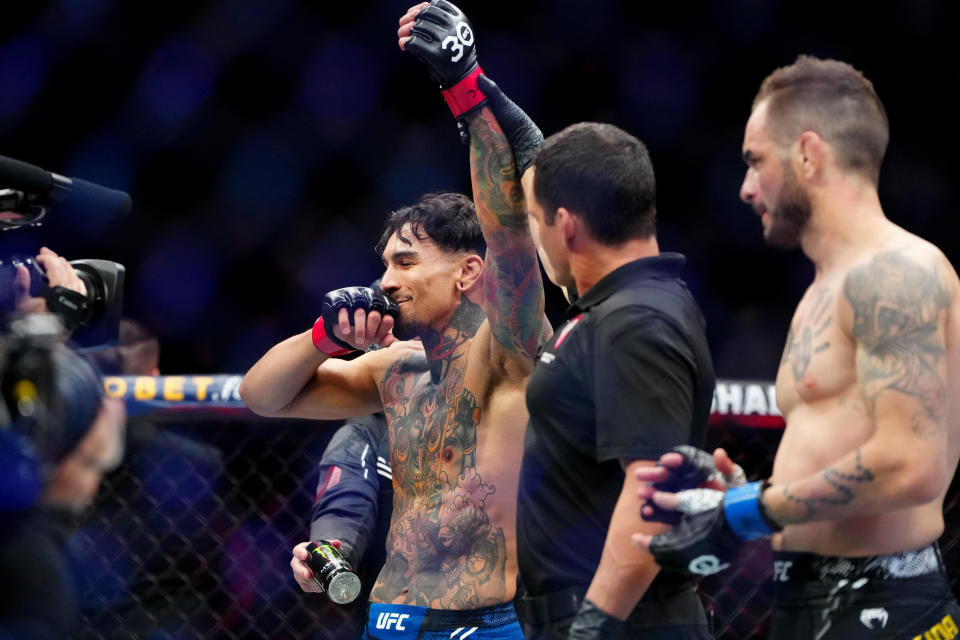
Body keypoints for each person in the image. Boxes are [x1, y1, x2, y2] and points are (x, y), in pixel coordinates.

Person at [398, 5, 716, 638]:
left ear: (566, 225)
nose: (527, 238)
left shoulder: (635, 323)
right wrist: (469, 84)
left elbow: (647, 500)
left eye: (538, 220)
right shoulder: (622, 309)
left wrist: (592, 626)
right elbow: (540, 182)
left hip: (619, 620)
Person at [239, 5, 550, 636]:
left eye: (406, 262)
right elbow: (261, 396)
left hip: (479, 620)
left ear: (466, 272)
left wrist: (465, 84)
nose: (386, 281)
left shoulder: (509, 349)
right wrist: (321, 339)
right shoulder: (392, 368)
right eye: (384, 264)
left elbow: (510, 228)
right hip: (389, 615)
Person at [634, 55, 960, 639]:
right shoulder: (823, 289)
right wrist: (745, 496)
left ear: (808, 153)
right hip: (806, 600)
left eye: (756, 162)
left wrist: (742, 512)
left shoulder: (897, 272)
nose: (745, 188)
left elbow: (913, 466)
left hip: (886, 607)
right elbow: (843, 456)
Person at [289, 412, 393, 634]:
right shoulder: (366, 434)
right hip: (395, 613)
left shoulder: (481, 432)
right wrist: (327, 555)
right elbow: (342, 508)